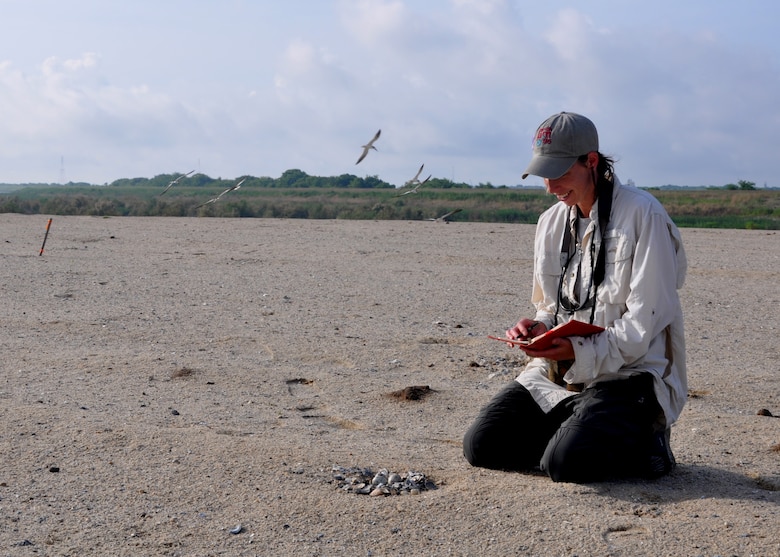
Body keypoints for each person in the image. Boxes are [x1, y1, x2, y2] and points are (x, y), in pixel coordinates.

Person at [463, 112, 687, 483]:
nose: (551, 186)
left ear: (592, 162)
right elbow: (550, 308)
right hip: (561, 375)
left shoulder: (643, 214)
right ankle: (576, 432)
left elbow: (642, 328)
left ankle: (647, 439)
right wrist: (537, 327)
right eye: (544, 174)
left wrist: (575, 350)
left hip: (628, 375)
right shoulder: (550, 222)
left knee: (565, 465)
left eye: (560, 172)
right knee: (483, 446)